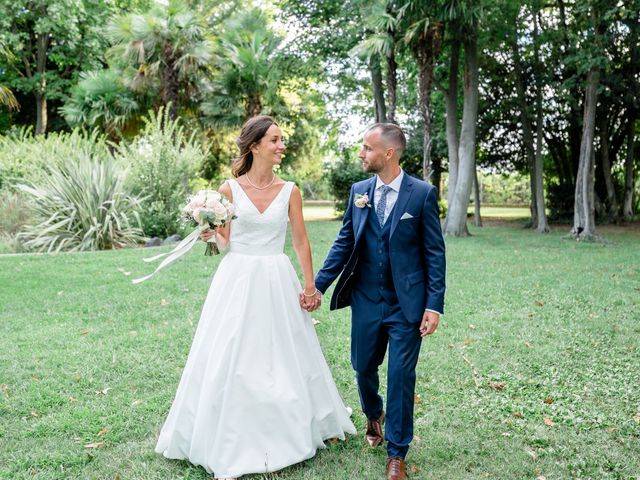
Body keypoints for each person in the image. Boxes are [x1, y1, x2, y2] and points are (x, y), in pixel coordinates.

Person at [155, 115, 355, 480]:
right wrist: (209, 234)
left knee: (283, 350)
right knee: (232, 348)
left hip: (277, 276)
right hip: (237, 278)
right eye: (275, 140)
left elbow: (300, 241)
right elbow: (224, 241)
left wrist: (310, 286)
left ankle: (290, 422)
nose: (282, 146)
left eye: (282, 140)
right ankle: (229, 431)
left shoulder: (291, 190)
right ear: (255, 145)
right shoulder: (228, 190)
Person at [309, 123, 446, 480]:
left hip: (407, 304)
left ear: (389, 153)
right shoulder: (359, 191)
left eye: (368, 148)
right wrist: (319, 285)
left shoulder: (422, 194)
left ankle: (396, 453)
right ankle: (374, 413)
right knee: (362, 366)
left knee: (401, 376)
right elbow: (344, 242)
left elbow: (434, 254)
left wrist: (434, 305)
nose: (361, 154)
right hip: (367, 298)